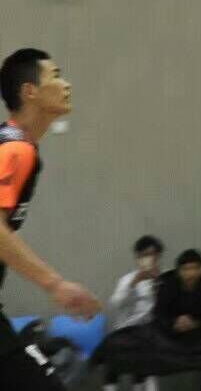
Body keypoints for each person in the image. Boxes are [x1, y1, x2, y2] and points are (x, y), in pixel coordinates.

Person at [0, 48, 100, 390]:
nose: (66, 84)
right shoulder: (16, 149)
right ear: (30, 91)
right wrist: (55, 284)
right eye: (55, 75)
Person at [154, 250, 201, 391]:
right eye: (186, 269)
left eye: (194, 268)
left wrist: (197, 323)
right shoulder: (167, 285)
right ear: (179, 271)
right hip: (172, 335)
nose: (190, 273)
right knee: (148, 339)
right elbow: (158, 315)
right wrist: (174, 324)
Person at [96, 235, 164, 391]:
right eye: (144, 255)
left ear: (158, 256)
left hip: (153, 333)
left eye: (152, 255)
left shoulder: (165, 279)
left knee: (147, 357)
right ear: (137, 258)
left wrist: (157, 286)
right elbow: (115, 304)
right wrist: (134, 283)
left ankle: (140, 384)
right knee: (111, 354)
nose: (149, 259)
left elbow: (167, 308)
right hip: (126, 331)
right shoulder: (127, 280)